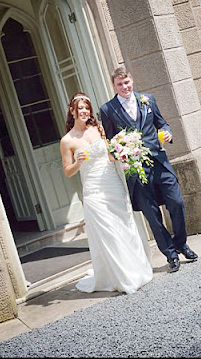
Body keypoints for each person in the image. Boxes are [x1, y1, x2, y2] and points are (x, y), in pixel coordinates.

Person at [100, 67, 198, 273]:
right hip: (136, 170)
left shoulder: (148, 100)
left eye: (127, 82)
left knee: (177, 202)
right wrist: (122, 151)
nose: (125, 87)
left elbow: (162, 124)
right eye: (120, 84)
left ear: (132, 81)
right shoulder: (108, 110)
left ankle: (181, 243)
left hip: (160, 163)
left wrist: (167, 133)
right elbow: (111, 142)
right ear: (114, 86)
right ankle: (171, 254)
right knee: (152, 215)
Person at [60, 92, 153, 294]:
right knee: (108, 232)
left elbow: (110, 156)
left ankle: (136, 269)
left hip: (112, 183)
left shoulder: (98, 128)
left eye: (87, 107)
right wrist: (78, 162)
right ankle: (123, 278)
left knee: (124, 225)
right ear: (72, 111)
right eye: (80, 108)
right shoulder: (67, 141)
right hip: (93, 190)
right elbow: (68, 171)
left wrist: (124, 152)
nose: (84, 111)